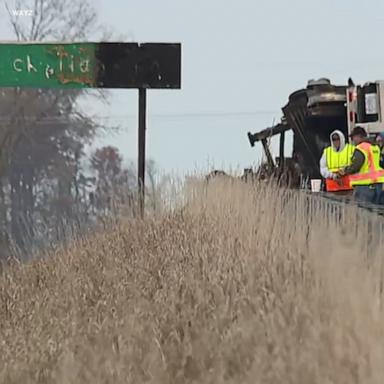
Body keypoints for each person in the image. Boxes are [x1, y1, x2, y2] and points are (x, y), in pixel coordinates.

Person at [337, 126, 384, 205]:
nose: (353, 140)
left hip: (365, 186)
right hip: (378, 184)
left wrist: (344, 171)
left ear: (358, 136)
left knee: (364, 212)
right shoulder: (375, 147)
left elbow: (356, 165)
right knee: (378, 212)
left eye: (353, 137)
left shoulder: (361, 148)